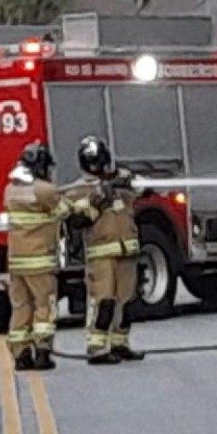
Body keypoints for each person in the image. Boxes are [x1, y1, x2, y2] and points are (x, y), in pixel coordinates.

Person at [67, 136, 145, 365]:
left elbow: (143, 189)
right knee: (104, 301)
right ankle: (97, 346)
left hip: (127, 251)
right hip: (101, 255)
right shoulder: (79, 190)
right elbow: (78, 219)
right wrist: (99, 198)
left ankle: (120, 343)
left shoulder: (120, 184)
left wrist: (128, 180)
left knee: (127, 301)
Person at [4, 142, 69, 371]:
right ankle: (42, 352)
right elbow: (65, 211)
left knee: (21, 307)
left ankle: (21, 355)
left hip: (16, 263)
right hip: (40, 262)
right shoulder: (45, 190)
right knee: (45, 306)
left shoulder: (10, 190)